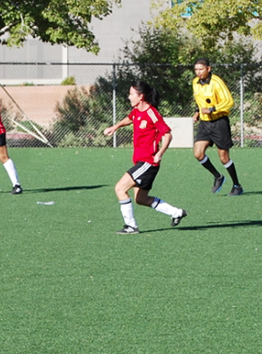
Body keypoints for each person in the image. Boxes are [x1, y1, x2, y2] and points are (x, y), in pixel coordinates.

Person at [103, 81, 187, 235]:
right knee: (141, 199)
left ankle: (131, 226)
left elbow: (167, 134)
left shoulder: (152, 113)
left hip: (148, 162)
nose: (129, 97)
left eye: (131, 94)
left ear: (141, 96)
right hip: (141, 162)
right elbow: (130, 119)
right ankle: (176, 212)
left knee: (120, 188)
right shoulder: (136, 111)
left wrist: (160, 153)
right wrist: (115, 127)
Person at [191, 58, 243, 195]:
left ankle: (237, 185)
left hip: (219, 123)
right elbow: (199, 101)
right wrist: (197, 112)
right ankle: (218, 176)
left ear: (209, 68)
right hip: (205, 123)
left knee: (223, 157)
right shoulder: (195, 83)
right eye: (196, 69)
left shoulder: (216, 82)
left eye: (201, 69)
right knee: (198, 153)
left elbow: (229, 102)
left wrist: (212, 109)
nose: (198, 72)